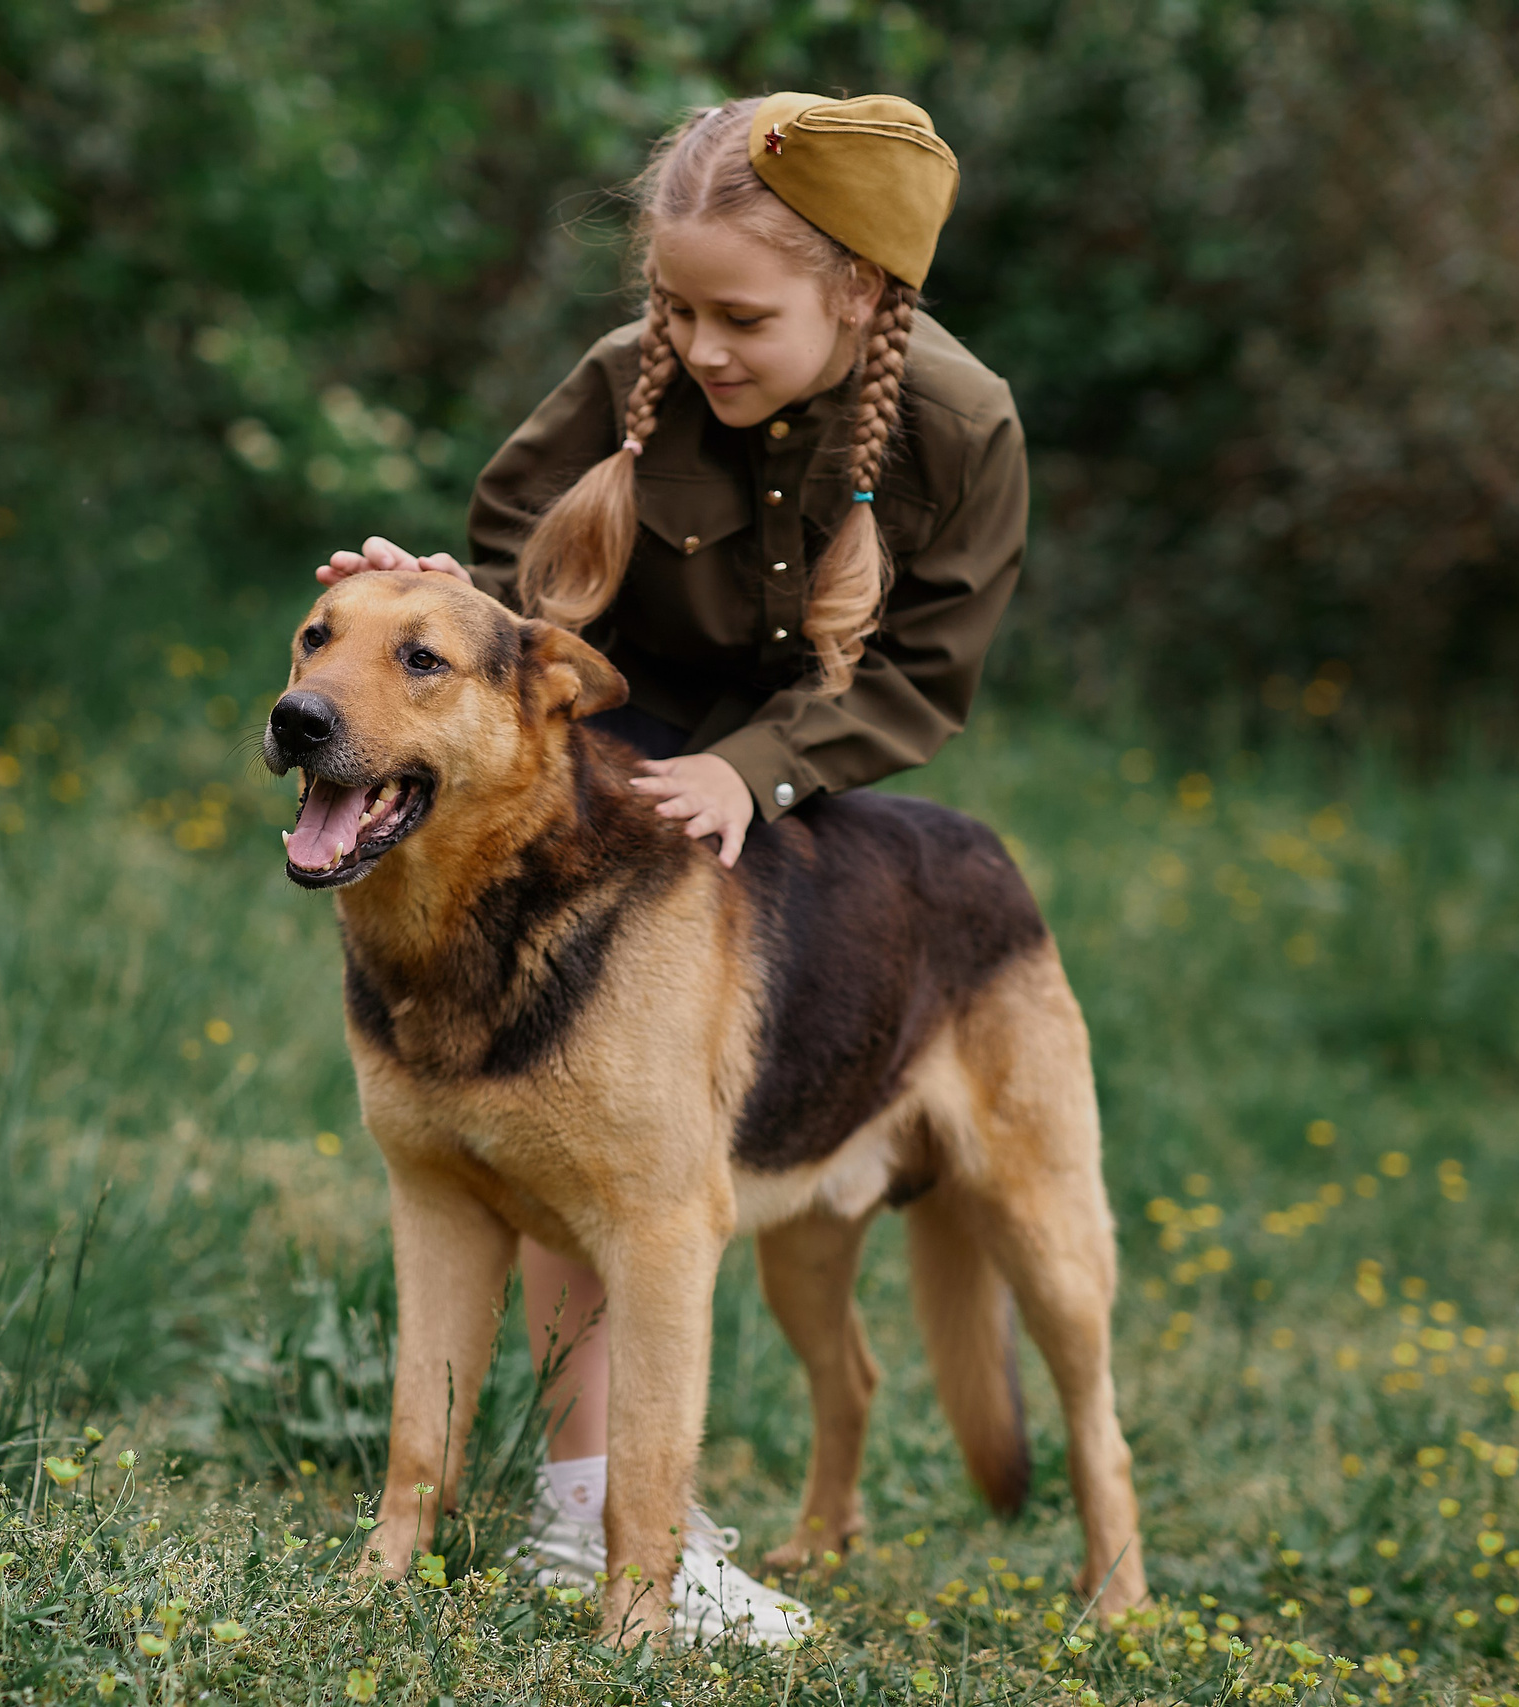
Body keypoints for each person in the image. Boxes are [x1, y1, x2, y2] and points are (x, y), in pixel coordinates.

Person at [314, 91, 1026, 1643]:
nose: (699, 346)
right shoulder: (633, 372)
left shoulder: (962, 426)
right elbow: (504, 551)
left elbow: (922, 675)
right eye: (676, 306)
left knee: (635, 1139)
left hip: (782, 771)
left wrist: (754, 771)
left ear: (860, 296)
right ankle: (593, 1512)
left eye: (741, 319)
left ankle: (611, 1517)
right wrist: (416, 608)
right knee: (560, 1105)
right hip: (590, 747)